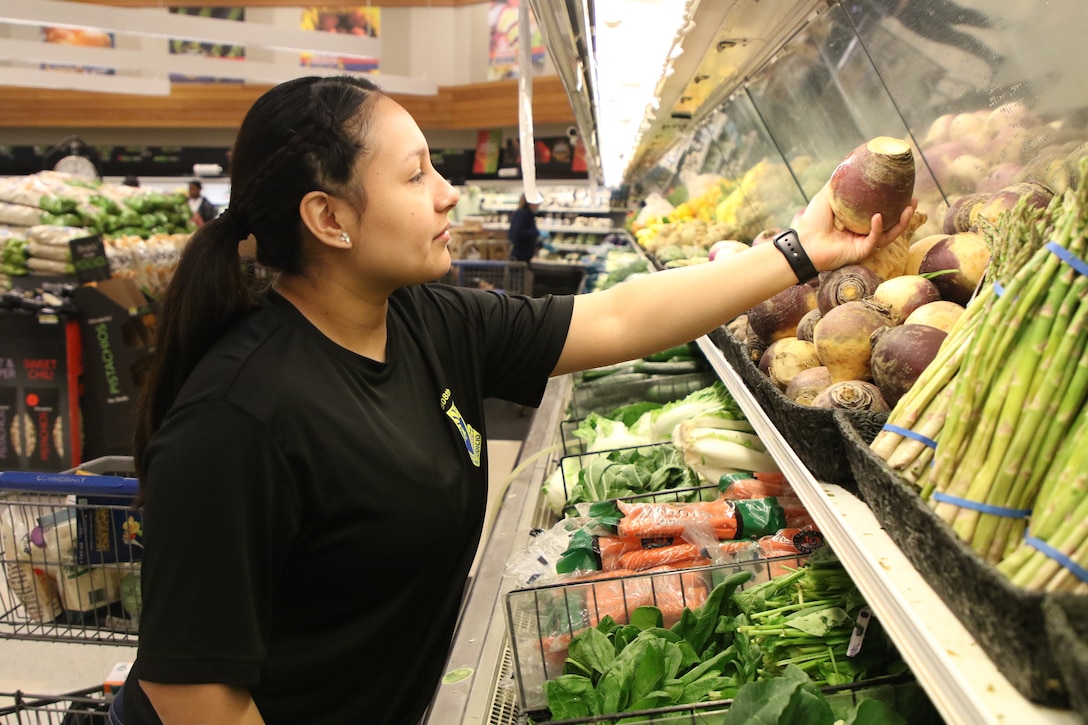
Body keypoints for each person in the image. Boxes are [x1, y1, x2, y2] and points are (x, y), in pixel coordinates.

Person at [118, 75, 913, 725]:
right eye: (415, 173)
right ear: (329, 218)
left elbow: (615, 315)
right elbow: (193, 692)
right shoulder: (237, 417)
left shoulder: (424, 318)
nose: (447, 194)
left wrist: (798, 251)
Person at [507, 192, 542, 262]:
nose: (538, 206)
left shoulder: (526, 214)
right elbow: (518, 232)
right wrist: (535, 232)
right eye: (537, 203)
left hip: (523, 254)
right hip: (520, 254)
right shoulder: (522, 214)